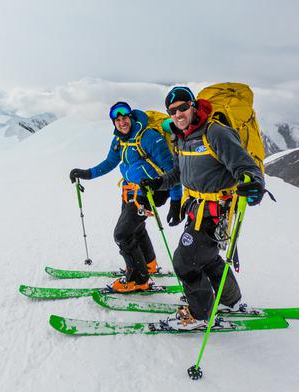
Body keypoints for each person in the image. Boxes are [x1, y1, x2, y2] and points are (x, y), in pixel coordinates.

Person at [140, 87, 266, 329]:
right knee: (207, 258)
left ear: (194, 106)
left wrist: (255, 185)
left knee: (184, 262)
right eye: (172, 110)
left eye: (183, 107)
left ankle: (199, 315)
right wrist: (159, 182)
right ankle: (230, 301)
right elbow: (179, 172)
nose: (178, 114)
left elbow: (245, 166)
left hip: (216, 210)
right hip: (194, 208)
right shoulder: (180, 136)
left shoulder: (215, 132)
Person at [69, 101, 182, 292]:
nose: (122, 123)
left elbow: (172, 170)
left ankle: (138, 279)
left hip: (151, 192)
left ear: (131, 117)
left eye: (125, 118)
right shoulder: (119, 140)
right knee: (135, 229)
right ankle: (148, 264)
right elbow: (109, 163)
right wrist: (86, 173)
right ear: (114, 123)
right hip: (130, 191)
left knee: (122, 235)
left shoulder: (149, 137)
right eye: (118, 120)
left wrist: (176, 201)